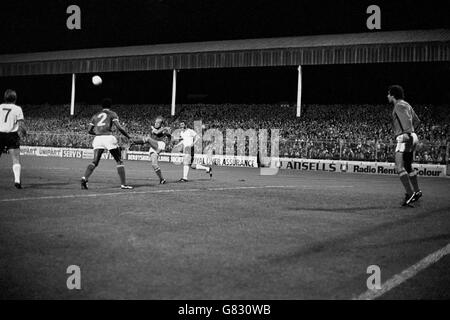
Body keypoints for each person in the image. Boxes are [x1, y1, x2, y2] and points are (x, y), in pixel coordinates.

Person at [81, 98, 133, 190]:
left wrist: (97, 134)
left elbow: (89, 130)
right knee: (119, 161)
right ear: (110, 106)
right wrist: (128, 136)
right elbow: (119, 128)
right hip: (108, 137)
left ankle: (84, 178)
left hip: (97, 139)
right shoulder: (112, 114)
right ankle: (123, 184)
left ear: (102, 106)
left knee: (95, 161)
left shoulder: (95, 115)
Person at [387, 85, 422, 206]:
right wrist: (411, 133)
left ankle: (410, 193)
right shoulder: (407, 104)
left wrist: (406, 133)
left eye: (388, 94)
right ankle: (417, 192)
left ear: (393, 95)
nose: (387, 96)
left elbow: (406, 120)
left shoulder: (398, 105)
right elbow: (417, 121)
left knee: (399, 167)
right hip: (412, 136)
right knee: (408, 165)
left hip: (404, 137)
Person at [131, 116, 171, 184]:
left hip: (160, 144)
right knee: (154, 164)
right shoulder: (154, 129)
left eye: (158, 123)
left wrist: (168, 142)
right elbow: (155, 133)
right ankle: (162, 179)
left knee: (148, 139)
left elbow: (162, 133)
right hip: (154, 146)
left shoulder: (162, 129)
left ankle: (134, 142)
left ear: (161, 124)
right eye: (155, 122)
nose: (156, 123)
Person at [0, 89, 27, 189]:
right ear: (15, 98)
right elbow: (21, 125)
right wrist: (24, 133)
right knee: (15, 159)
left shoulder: (0, 107)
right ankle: (17, 181)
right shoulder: (17, 109)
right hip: (12, 135)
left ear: (5, 98)